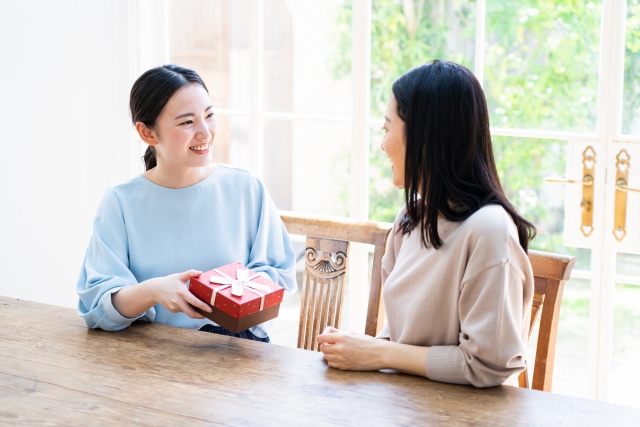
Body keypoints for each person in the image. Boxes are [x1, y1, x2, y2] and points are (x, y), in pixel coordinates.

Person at [317, 60, 535, 387]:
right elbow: (404, 335)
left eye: (387, 128)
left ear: (424, 136)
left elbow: (489, 364)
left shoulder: (489, 230)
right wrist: (360, 347)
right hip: (405, 402)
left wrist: (379, 353)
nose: (382, 144)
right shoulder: (411, 218)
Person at [76, 64, 296, 342]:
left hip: (237, 352)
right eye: (187, 122)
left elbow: (278, 277)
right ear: (147, 133)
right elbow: (99, 308)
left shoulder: (246, 187)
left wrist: (227, 297)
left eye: (209, 115)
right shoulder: (120, 202)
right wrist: (153, 290)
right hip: (152, 358)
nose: (205, 132)